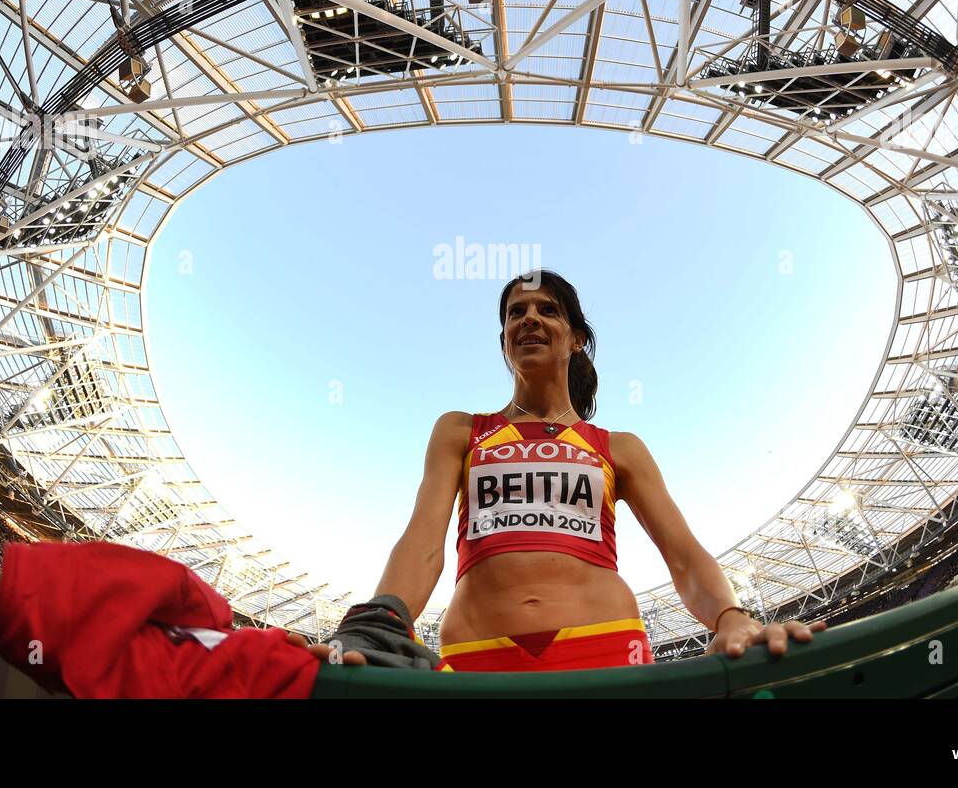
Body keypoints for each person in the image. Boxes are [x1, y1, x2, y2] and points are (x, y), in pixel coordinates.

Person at [289, 269, 825, 671]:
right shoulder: (460, 430)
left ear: (575, 338)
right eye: (515, 312)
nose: (528, 318)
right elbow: (424, 541)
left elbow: (684, 557)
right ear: (504, 341)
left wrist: (730, 616)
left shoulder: (620, 447)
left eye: (547, 309)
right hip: (476, 650)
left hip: (606, 639)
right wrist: (380, 619)